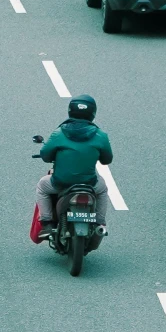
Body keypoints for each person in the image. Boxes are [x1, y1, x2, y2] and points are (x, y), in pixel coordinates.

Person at [33, 96, 114, 244]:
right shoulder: (101, 135)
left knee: (42, 187)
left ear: (70, 111)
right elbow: (107, 160)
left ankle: (47, 223)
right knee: (102, 189)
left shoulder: (59, 133)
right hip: (89, 184)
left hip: (61, 183)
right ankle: (99, 223)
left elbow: (45, 155)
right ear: (92, 112)